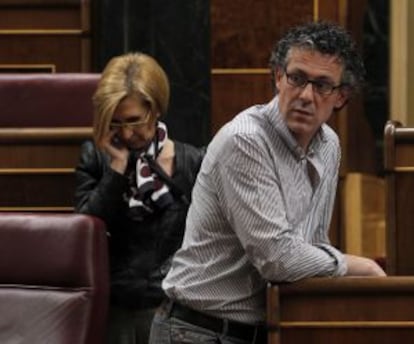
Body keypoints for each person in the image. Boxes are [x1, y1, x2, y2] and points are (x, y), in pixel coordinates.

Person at [149, 21, 386, 344]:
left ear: (341, 97)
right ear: (278, 77)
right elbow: (277, 258)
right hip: (198, 331)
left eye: (322, 85)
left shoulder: (329, 144)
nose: (305, 95)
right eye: (297, 78)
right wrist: (358, 266)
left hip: (266, 329)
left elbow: (312, 241)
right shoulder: (245, 141)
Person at [74, 52, 205, 344]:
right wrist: (117, 170)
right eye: (117, 122)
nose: (127, 132)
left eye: (134, 120)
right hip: (115, 306)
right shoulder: (96, 159)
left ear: (156, 108)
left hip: (174, 308)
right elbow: (84, 229)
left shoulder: (191, 162)